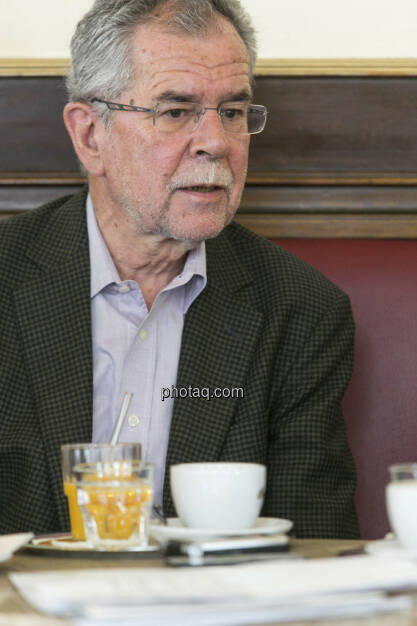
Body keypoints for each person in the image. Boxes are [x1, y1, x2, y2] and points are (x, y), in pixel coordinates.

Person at [0, 0, 359, 538]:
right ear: (90, 135)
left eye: (233, 112)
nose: (215, 143)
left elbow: (312, 545)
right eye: (174, 112)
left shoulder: (301, 310)